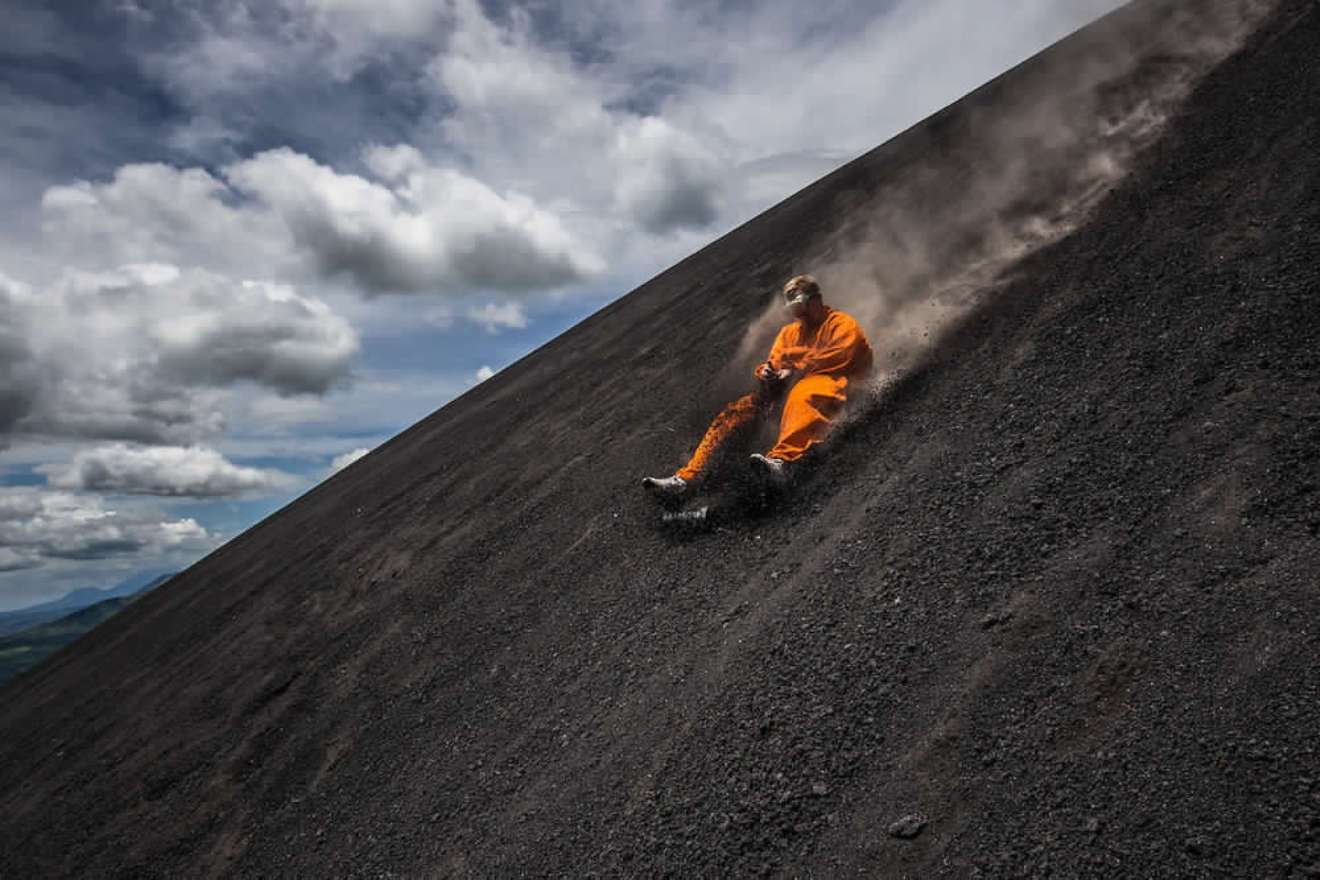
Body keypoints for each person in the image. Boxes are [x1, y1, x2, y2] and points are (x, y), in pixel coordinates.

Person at [643, 274, 873, 498]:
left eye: (801, 306)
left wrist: (796, 368)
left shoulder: (842, 324)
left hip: (837, 380)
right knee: (735, 412)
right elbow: (775, 361)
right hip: (792, 385)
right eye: (793, 309)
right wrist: (766, 372)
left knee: (803, 395)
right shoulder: (789, 333)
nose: (798, 314)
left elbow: (841, 356)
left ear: (817, 300)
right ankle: (686, 480)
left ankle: (782, 463)